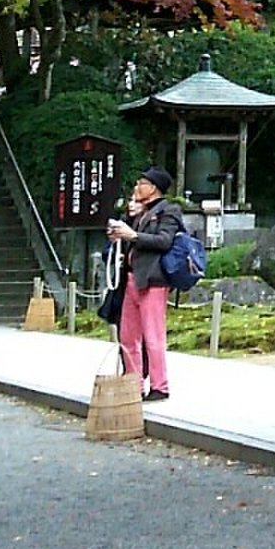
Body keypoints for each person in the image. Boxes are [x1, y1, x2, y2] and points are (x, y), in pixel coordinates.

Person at [106, 167, 183, 402]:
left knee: (153, 335)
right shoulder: (140, 213)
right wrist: (120, 236)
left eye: (142, 184)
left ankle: (160, 385)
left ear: (154, 188)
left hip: (153, 280)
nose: (137, 188)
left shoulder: (169, 211)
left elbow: (164, 241)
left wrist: (133, 236)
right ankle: (134, 383)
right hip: (131, 279)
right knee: (127, 336)